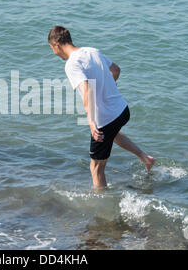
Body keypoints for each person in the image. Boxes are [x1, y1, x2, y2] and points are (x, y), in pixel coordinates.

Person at [48, 25, 155, 190]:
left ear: (56, 45)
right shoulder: (92, 51)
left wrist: (91, 122)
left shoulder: (71, 64)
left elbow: (87, 90)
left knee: (96, 168)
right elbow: (116, 70)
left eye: (52, 49)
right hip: (122, 110)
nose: (54, 53)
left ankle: (103, 208)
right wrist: (106, 90)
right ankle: (145, 158)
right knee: (112, 134)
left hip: (105, 117)